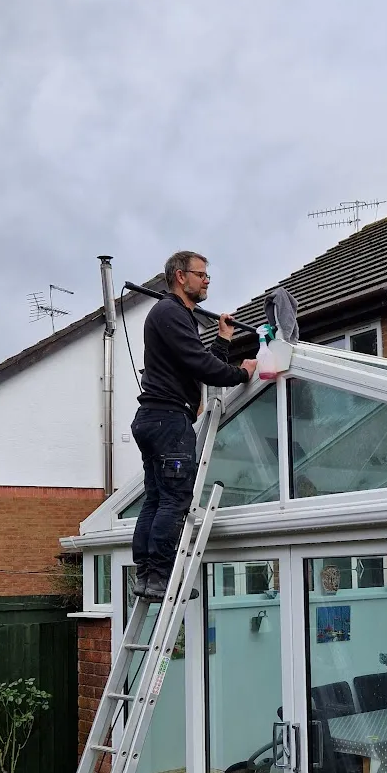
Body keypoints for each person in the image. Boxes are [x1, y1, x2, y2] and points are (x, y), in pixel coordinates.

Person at [130, 250, 256, 601]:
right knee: (174, 499)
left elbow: (195, 366)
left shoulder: (176, 316)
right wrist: (242, 373)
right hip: (167, 420)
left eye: (207, 276)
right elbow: (201, 365)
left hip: (155, 418)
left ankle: (147, 576)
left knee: (157, 498)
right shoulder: (170, 312)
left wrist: (224, 338)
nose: (207, 281)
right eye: (201, 275)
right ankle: (160, 577)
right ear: (180, 276)